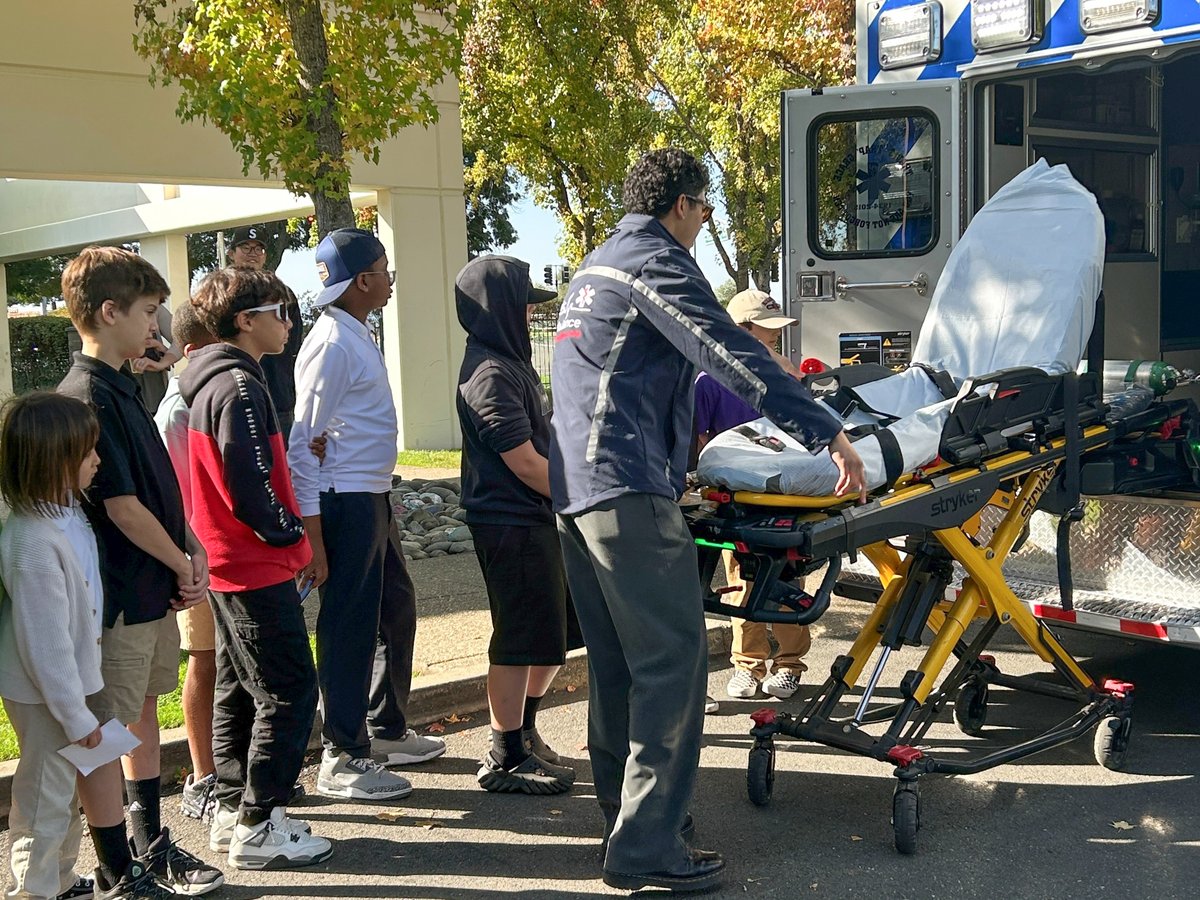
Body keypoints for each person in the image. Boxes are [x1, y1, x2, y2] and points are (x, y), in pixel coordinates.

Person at [549, 148, 867, 893]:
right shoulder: (654, 262)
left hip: (577, 492)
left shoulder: (594, 269)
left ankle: (627, 822)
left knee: (622, 667)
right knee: (675, 661)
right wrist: (824, 429)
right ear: (686, 206)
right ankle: (647, 846)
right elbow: (732, 355)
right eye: (706, 209)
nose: (704, 224)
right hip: (622, 491)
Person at [57, 246, 224, 898]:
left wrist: (188, 550)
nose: (158, 326)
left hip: (150, 587)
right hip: (119, 597)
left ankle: (150, 842)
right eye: (149, 311)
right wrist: (181, 559)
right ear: (109, 311)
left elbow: (156, 491)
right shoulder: (87, 395)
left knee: (141, 716)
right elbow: (122, 508)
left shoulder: (126, 383)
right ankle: (117, 871)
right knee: (106, 729)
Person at [182, 267, 333, 869]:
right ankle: (258, 821)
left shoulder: (216, 380)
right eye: (280, 312)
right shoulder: (239, 387)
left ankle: (230, 807)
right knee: (290, 688)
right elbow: (249, 483)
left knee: (238, 685)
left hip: (230, 561)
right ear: (245, 320)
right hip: (251, 562)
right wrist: (291, 532)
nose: (289, 324)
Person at [289, 228, 445, 802]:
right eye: (384, 269)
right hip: (344, 500)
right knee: (350, 624)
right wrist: (314, 533)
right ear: (361, 281)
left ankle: (382, 729)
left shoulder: (353, 332)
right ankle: (343, 753)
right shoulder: (331, 342)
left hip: (369, 493)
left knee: (393, 609)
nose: (389, 279)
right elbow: (303, 442)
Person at [454, 254, 580, 795]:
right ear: (499, 309)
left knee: (552, 634)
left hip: (534, 517)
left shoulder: (509, 362)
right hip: (508, 520)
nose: (531, 315)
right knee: (517, 637)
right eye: (525, 305)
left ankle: (524, 732)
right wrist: (584, 495)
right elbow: (525, 462)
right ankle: (504, 754)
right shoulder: (488, 374)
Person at [0, 393, 107, 900]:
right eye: (87, 453)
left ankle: (59, 880)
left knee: (61, 797)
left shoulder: (61, 516)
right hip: (46, 696)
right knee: (44, 801)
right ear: (55, 460)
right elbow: (45, 645)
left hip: (62, 693)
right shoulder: (32, 541)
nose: (97, 461)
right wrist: (76, 716)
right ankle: (33, 890)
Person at [695, 289, 811, 701]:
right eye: (769, 330)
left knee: (785, 578)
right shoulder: (709, 382)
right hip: (736, 500)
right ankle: (747, 665)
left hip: (782, 493)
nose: (776, 337)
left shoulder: (780, 373)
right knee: (743, 580)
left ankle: (790, 664)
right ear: (742, 329)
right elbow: (701, 440)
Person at [152, 301, 221, 823]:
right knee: (206, 656)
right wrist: (192, 559)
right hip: (202, 553)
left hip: (224, 551)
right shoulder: (179, 406)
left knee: (230, 663)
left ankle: (230, 766)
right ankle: (203, 777)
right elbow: (181, 496)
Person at [226, 225, 305, 441]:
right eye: (245, 247)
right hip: (232, 393)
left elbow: (294, 345)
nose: (252, 253)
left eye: (258, 248)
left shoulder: (283, 293)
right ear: (231, 253)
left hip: (277, 396)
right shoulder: (220, 294)